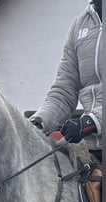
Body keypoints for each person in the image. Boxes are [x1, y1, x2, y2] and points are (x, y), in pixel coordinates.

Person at [30, 0, 102, 163]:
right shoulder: (79, 25)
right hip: (90, 146)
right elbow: (64, 91)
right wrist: (38, 123)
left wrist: (90, 121)